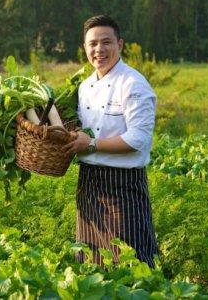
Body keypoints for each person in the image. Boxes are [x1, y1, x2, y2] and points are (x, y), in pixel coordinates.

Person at [62, 15, 158, 267]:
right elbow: (83, 129)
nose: (99, 50)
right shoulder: (85, 86)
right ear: (85, 48)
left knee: (131, 260)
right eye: (92, 44)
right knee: (92, 261)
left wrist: (91, 145)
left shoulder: (133, 84)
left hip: (122, 185)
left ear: (120, 44)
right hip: (89, 182)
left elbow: (137, 138)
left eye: (106, 42)